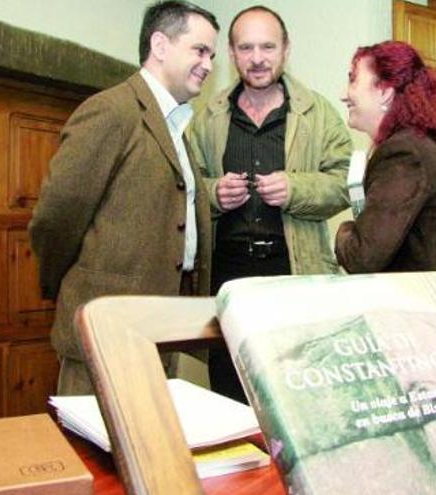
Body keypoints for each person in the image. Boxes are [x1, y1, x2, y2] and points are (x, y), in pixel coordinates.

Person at [29, 1, 218, 395]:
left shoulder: (177, 127)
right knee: (90, 455)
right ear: (161, 45)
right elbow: (56, 217)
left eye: (212, 55)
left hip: (154, 333)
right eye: (200, 51)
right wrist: (64, 284)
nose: (209, 65)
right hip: (103, 330)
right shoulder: (110, 111)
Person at [187, 5, 351, 402]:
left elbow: (344, 184)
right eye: (246, 48)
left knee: (296, 390)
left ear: (286, 49)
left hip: (293, 269)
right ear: (231, 53)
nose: (257, 58)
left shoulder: (318, 113)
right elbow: (184, 187)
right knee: (228, 389)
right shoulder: (207, 117)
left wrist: (295, 189)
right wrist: (213, 194)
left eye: (267, 47)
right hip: (227, 274)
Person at [335, 41, 436, 276]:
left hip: (423, 309)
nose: (343, 95)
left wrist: (344, 231)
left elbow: (362, 257)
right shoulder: (416, 145)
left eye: (353, 79)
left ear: (385, 93)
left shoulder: (403, 154)